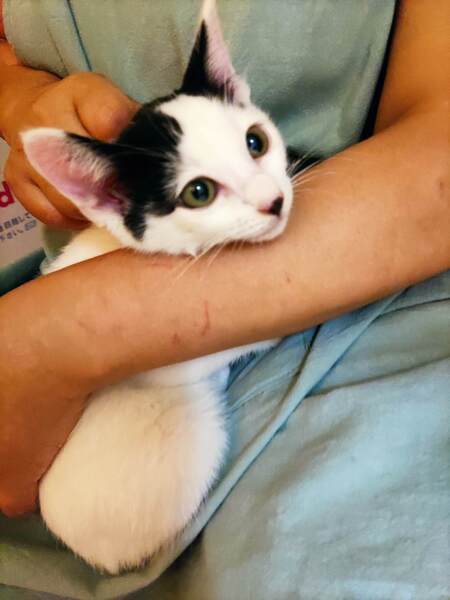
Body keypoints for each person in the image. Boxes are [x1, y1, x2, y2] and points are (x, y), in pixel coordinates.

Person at [0, 1, 448, 598]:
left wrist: (54, 337)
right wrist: (17, 93)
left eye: (256, 143)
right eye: (201, 191)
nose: (269, 195)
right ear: (107, 201)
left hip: (381, 303)